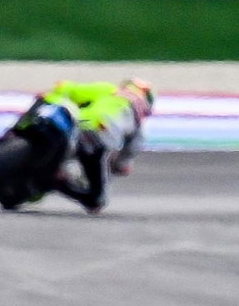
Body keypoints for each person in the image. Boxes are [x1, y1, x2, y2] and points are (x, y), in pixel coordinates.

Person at [43, 78, 155, 213]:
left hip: (75, 124)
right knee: (97, 201)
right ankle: (57, 181)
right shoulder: (137, 126)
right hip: (96, 136)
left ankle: (50, 174)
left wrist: (53, 95)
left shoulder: (109, 90)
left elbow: (69, 89)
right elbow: (126, 157)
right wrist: (120, 166)